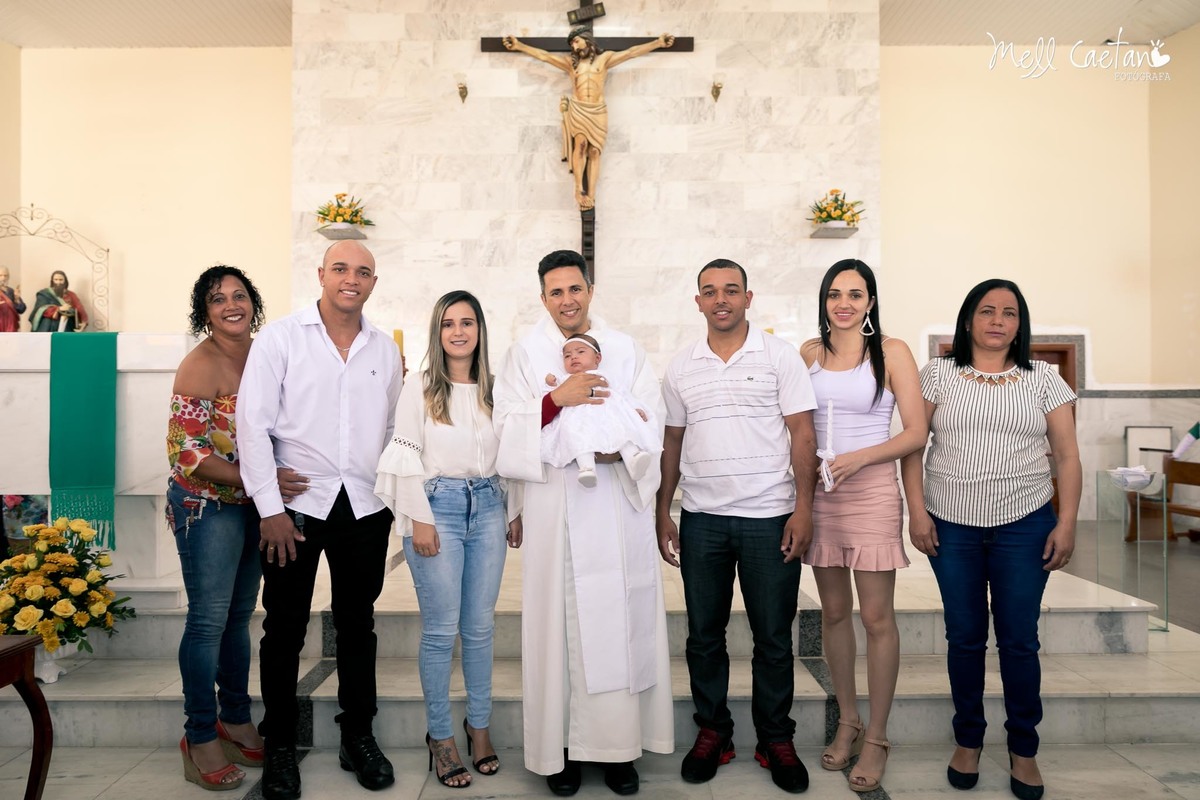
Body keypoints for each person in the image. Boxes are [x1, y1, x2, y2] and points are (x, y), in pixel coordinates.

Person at [493, 249, 673, 796]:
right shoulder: (524, 354)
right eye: (556, 292)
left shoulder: (625, 348)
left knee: (619, 621)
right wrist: (556, 399)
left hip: (616, 498)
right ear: (543, 297)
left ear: (590, 290)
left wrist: (623, 448)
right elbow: (505, 425)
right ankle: (561, 753)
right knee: (558, 625)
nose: (567, 300)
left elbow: (652, 416)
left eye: (575, 289)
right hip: (555, 500)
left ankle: (618, 750)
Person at [901, 278, 1080, 800]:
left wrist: (1066, 521)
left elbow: (1068, 455)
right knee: (965, 637)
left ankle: (1024, 749)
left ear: (1020, 324)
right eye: (987, 310)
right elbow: (913, 446)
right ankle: (969, 741)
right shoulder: (937, 374)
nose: (998, 320)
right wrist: (917, 512)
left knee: (1019, 639)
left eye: (1009, 312)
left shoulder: (1043, 378)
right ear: (968, 320)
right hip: (951, 525)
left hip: (1024, 524)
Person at [236, 241, 402, 800]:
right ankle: (280, 744)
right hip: (298, 508)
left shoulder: (385, 349)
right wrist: (270, 509)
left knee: (358, 624)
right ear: (321, 275)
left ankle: (358, 735)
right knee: (284, 627)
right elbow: (251, 426)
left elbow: (390, 429)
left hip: (364, 507)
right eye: (340, 268)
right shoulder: (282, 338)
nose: (351, 279)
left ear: (373, 282)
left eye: (363, 271)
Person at [657, 258, 818, 795]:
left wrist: (803, 507)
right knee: (704, 636)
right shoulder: (681, 367)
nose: (720, 299)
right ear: (697, 302)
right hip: (703, 518)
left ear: (749, 298)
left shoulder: (779, 357)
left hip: (769, 516)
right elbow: (672, 441)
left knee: (773, 637)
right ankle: (714, 733)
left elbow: (802, 433)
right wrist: (663, 509)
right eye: (710, 291)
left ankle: (775, 738)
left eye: (731, 290)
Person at [374, 290, 524, 789]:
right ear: (437, 332)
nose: (458, 332)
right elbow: (404, 454)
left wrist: (513, 510)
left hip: (489, 507)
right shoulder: (419, 386)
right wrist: (419, 518)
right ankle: (440, 736)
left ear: (480, 330)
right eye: (448, 324)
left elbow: (511, 455)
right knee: (441, 631)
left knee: (480, 628)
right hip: (436, 507)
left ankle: (479, 728)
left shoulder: (497, 389)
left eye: (467, 322)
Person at [798, 259, 926, 793]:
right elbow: (794, 425)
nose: (844, 303)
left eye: (855, 294)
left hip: (871, 492)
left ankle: (877, 735)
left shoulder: (891, 352)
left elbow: (916, 432)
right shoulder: (808, 353)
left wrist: (860, 458)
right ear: (824, 300)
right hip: (822, 496)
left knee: (875, 617)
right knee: (832, 613)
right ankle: (848, 719)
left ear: (870, 301)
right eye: (835, 294)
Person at [167, 266, 274, 791]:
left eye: (239, 295)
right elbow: (186, 453)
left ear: (253, 302)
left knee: (238, 617)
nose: (231, 305)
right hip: (206, 504)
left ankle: (234, 716)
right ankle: (199, 734)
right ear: (204, 312)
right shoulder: (199, 365)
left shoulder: (266, 351)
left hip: (253, 504)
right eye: (217, 299)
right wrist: (261, 483)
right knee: (208, 619)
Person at [502, 29, 675, 210]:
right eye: (572, 45)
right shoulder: (571, 64)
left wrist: (658, 43)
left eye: (576, 41)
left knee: (594, 152)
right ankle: (578, 189)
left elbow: (631, 53)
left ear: (587, 40)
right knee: (581, 145)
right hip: (579, 109)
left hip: (598, 110)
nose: (574, 47)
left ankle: (591, 194)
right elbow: (544, 56)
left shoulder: (605, 59)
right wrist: (519, 46)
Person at [541, 333, 660, 487]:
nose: (573, 357)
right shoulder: (565, 380)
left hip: (608, 416)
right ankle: (586, 469)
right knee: (578, 437)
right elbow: (552, 396)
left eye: (580, 352)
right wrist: (550, 383)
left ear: (597, 358)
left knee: (621, 430)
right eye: (567, 356)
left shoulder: (605, 376)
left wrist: (634, 409)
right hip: (578, 419)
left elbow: (623, 394)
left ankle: (633, 459)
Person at [0, 266, 26, 332]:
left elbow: (21, 309)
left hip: (11, 324)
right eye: (0, 275)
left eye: (5, 276)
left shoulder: (11, 291)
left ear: (8, 277)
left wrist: (17, 299)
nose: (3, 278)